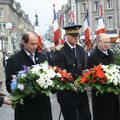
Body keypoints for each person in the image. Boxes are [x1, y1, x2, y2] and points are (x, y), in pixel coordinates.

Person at [5, 31, 52, 120]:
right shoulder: (13, 60)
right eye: (32, 44)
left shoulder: (43, 57)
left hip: (44, 108)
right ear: (23, 43)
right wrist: (24, 87)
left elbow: (49, 76)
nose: (35, 46)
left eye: (36, 43)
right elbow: (9, 85)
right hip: (26, 109)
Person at [54, 25, 91, 120]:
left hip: (80, 92)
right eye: (73, 35)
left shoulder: (80, 49)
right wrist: (73, 83)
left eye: (77, 35)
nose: (76, 38)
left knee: (86, 116)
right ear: (66, 36)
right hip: (67, 93)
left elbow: (82, 68)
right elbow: (60, 73)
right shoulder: (60, 51)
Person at [87, 33, 119, 120]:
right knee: (103, 115)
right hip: (100, 93)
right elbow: (90, 77)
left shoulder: (110, 53)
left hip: (112, 91)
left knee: (114, 114)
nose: (107, 44)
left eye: (108, 42)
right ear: (98, 42)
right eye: (105, 42)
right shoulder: (92, 57)